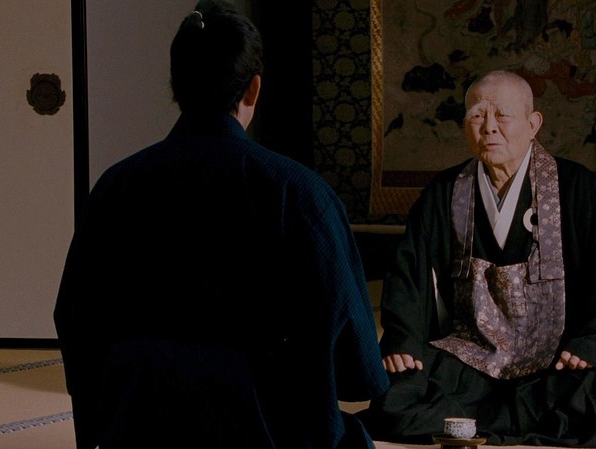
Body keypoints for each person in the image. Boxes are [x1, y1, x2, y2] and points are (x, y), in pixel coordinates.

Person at [53, 1, 389, 448]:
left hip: (143, 427)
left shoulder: (117, 185)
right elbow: (355, 359)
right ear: (253, 89)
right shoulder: (298, 192)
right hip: (269, 428)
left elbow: (75, 314)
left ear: (175, 85)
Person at [358, 70, 596, 446]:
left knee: (592, 390)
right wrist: (403, 340)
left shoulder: (575, 186)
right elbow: (409, 273)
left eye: (502, 115)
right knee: (399, 387)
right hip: (474, 354)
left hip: (555, 359)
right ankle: (511, 418)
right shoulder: (445, 192)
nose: (489, 127)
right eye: (476, 115)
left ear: (533, 123)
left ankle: (476, 419)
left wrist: (591, 344)